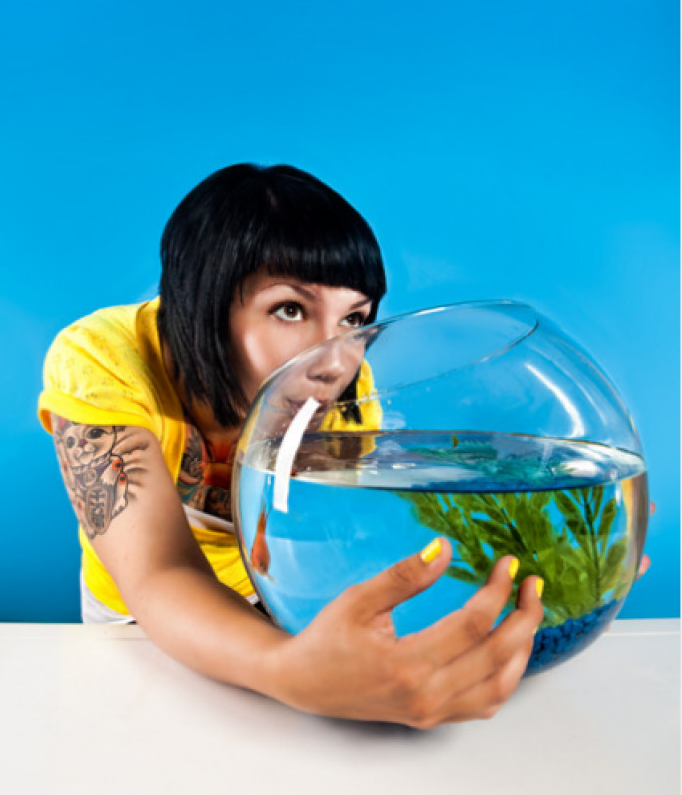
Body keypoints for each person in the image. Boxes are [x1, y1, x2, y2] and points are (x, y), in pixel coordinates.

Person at [39, 162, 545, 729]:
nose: (333, 361)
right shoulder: (105, 360)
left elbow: (344, 540)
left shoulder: (351, 391)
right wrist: (288, 670)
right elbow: (158, 575)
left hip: (277, 617)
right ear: (202, 301)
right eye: (290, 309)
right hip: (136, 626)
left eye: (354, 318)